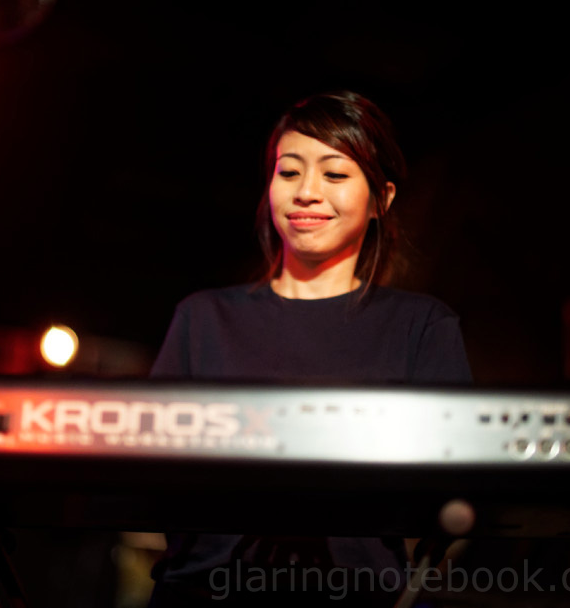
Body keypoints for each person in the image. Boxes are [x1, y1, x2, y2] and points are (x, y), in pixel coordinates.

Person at [147, 90, 472, 606]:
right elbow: (149, 476)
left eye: (335, 174)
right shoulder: (203, 318)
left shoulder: (422, 325)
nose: (306, 192)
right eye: (289, 172)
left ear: (381, 199)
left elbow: (453, 491)